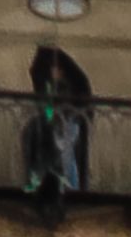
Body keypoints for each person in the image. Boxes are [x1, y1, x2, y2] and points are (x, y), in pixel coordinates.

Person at [23, 44, 92, 196]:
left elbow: (62, 106)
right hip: (58, 125)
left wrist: (54, 110)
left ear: (61, 70)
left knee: (67, 157)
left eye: (55, 68)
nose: (53, 72)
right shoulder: (51, 86)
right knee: (56, 155)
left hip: (68, 123)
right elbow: (48, 108)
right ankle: (50, 184)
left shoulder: (65, 86)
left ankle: (73, 187)